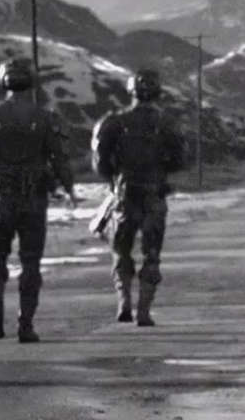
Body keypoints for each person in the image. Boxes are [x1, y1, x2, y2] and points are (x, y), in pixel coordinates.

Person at [0, 58, 77, 343]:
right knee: (31, 262)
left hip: (1, 198)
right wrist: (69, 189)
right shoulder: (47, 118)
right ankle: (25, 323)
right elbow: (61, 160)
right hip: (34, 199)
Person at [91, 69, 186, 326]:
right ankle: (144, 310)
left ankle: (123, 300)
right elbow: (180, 159)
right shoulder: (167, 123)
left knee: (120, 250)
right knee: (152, 255)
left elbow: (100, 161)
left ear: (130, 91)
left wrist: (114, 178)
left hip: (124, 194)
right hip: (154, 193)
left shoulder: (113, 122)